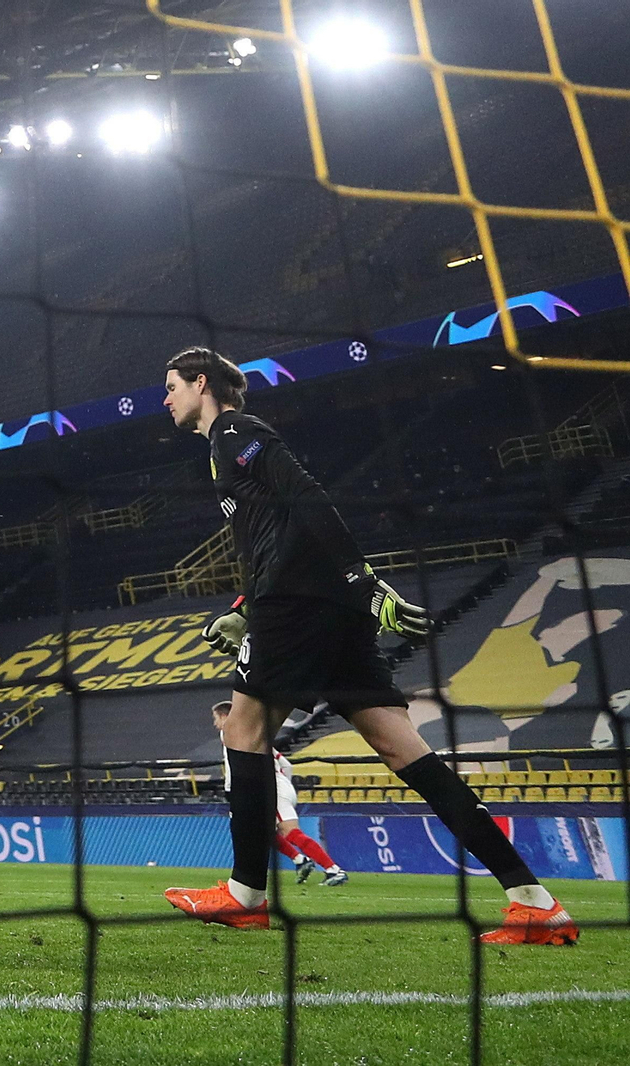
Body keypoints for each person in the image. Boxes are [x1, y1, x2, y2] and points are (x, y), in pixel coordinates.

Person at [160, 347, 575, 945]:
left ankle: (245, 895)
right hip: (327, 613)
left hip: (304, 608)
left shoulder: (234, 433)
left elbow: (308, 499)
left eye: (172, 386)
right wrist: (245, 608)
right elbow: (277, 535)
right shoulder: (225, 445)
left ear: (202, 383)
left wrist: (361, 577)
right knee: (402, 749)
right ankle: (534, 901)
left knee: (242, 731)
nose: (167, 399)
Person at [210, 702, 344, 887]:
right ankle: (300, 860)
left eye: (216, 718)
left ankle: (333, 870)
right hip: (279, 784)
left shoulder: (230, 733)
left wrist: (230, 790)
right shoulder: (254, 735)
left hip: (272, 788)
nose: (215, 723)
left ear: (225, 717)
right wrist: (284, 784)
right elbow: (286, 765)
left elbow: (233, 766)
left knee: (290, 832)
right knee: (264, 832)